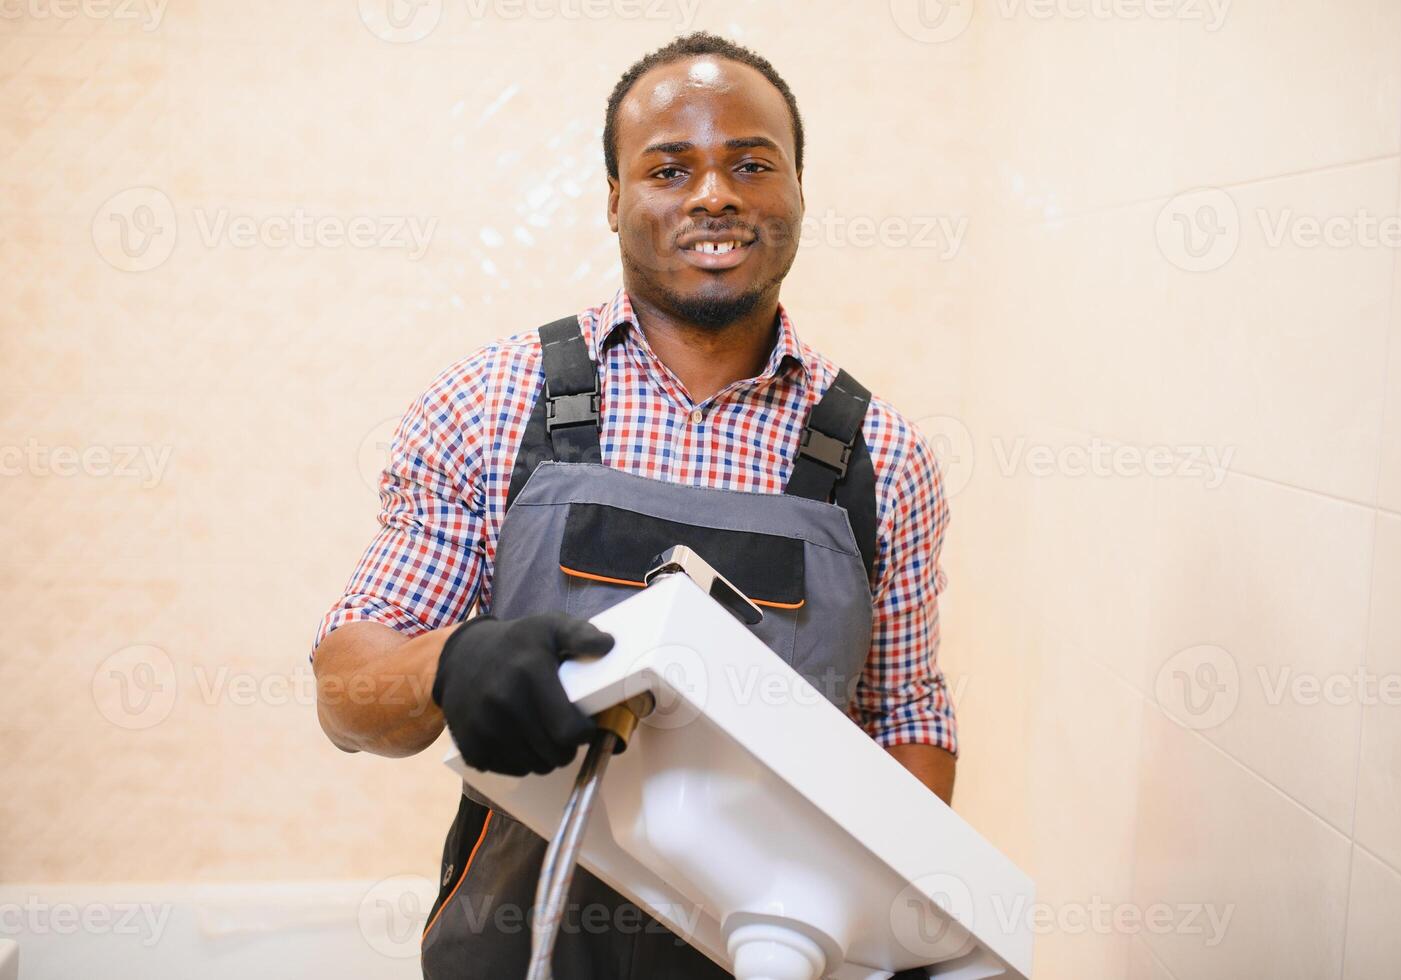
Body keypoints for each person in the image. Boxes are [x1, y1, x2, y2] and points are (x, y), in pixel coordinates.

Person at [311, 31, 957, 979]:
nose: (713, 195)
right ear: (615, 197)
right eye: (668, 167)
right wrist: (449, 663)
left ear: (797, 193)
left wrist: (907, 937)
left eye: (750, 163)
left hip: (783, 947)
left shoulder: (883, 459)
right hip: (524, 945)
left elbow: (907, 722)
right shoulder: (490, 406)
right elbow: (346, 693)